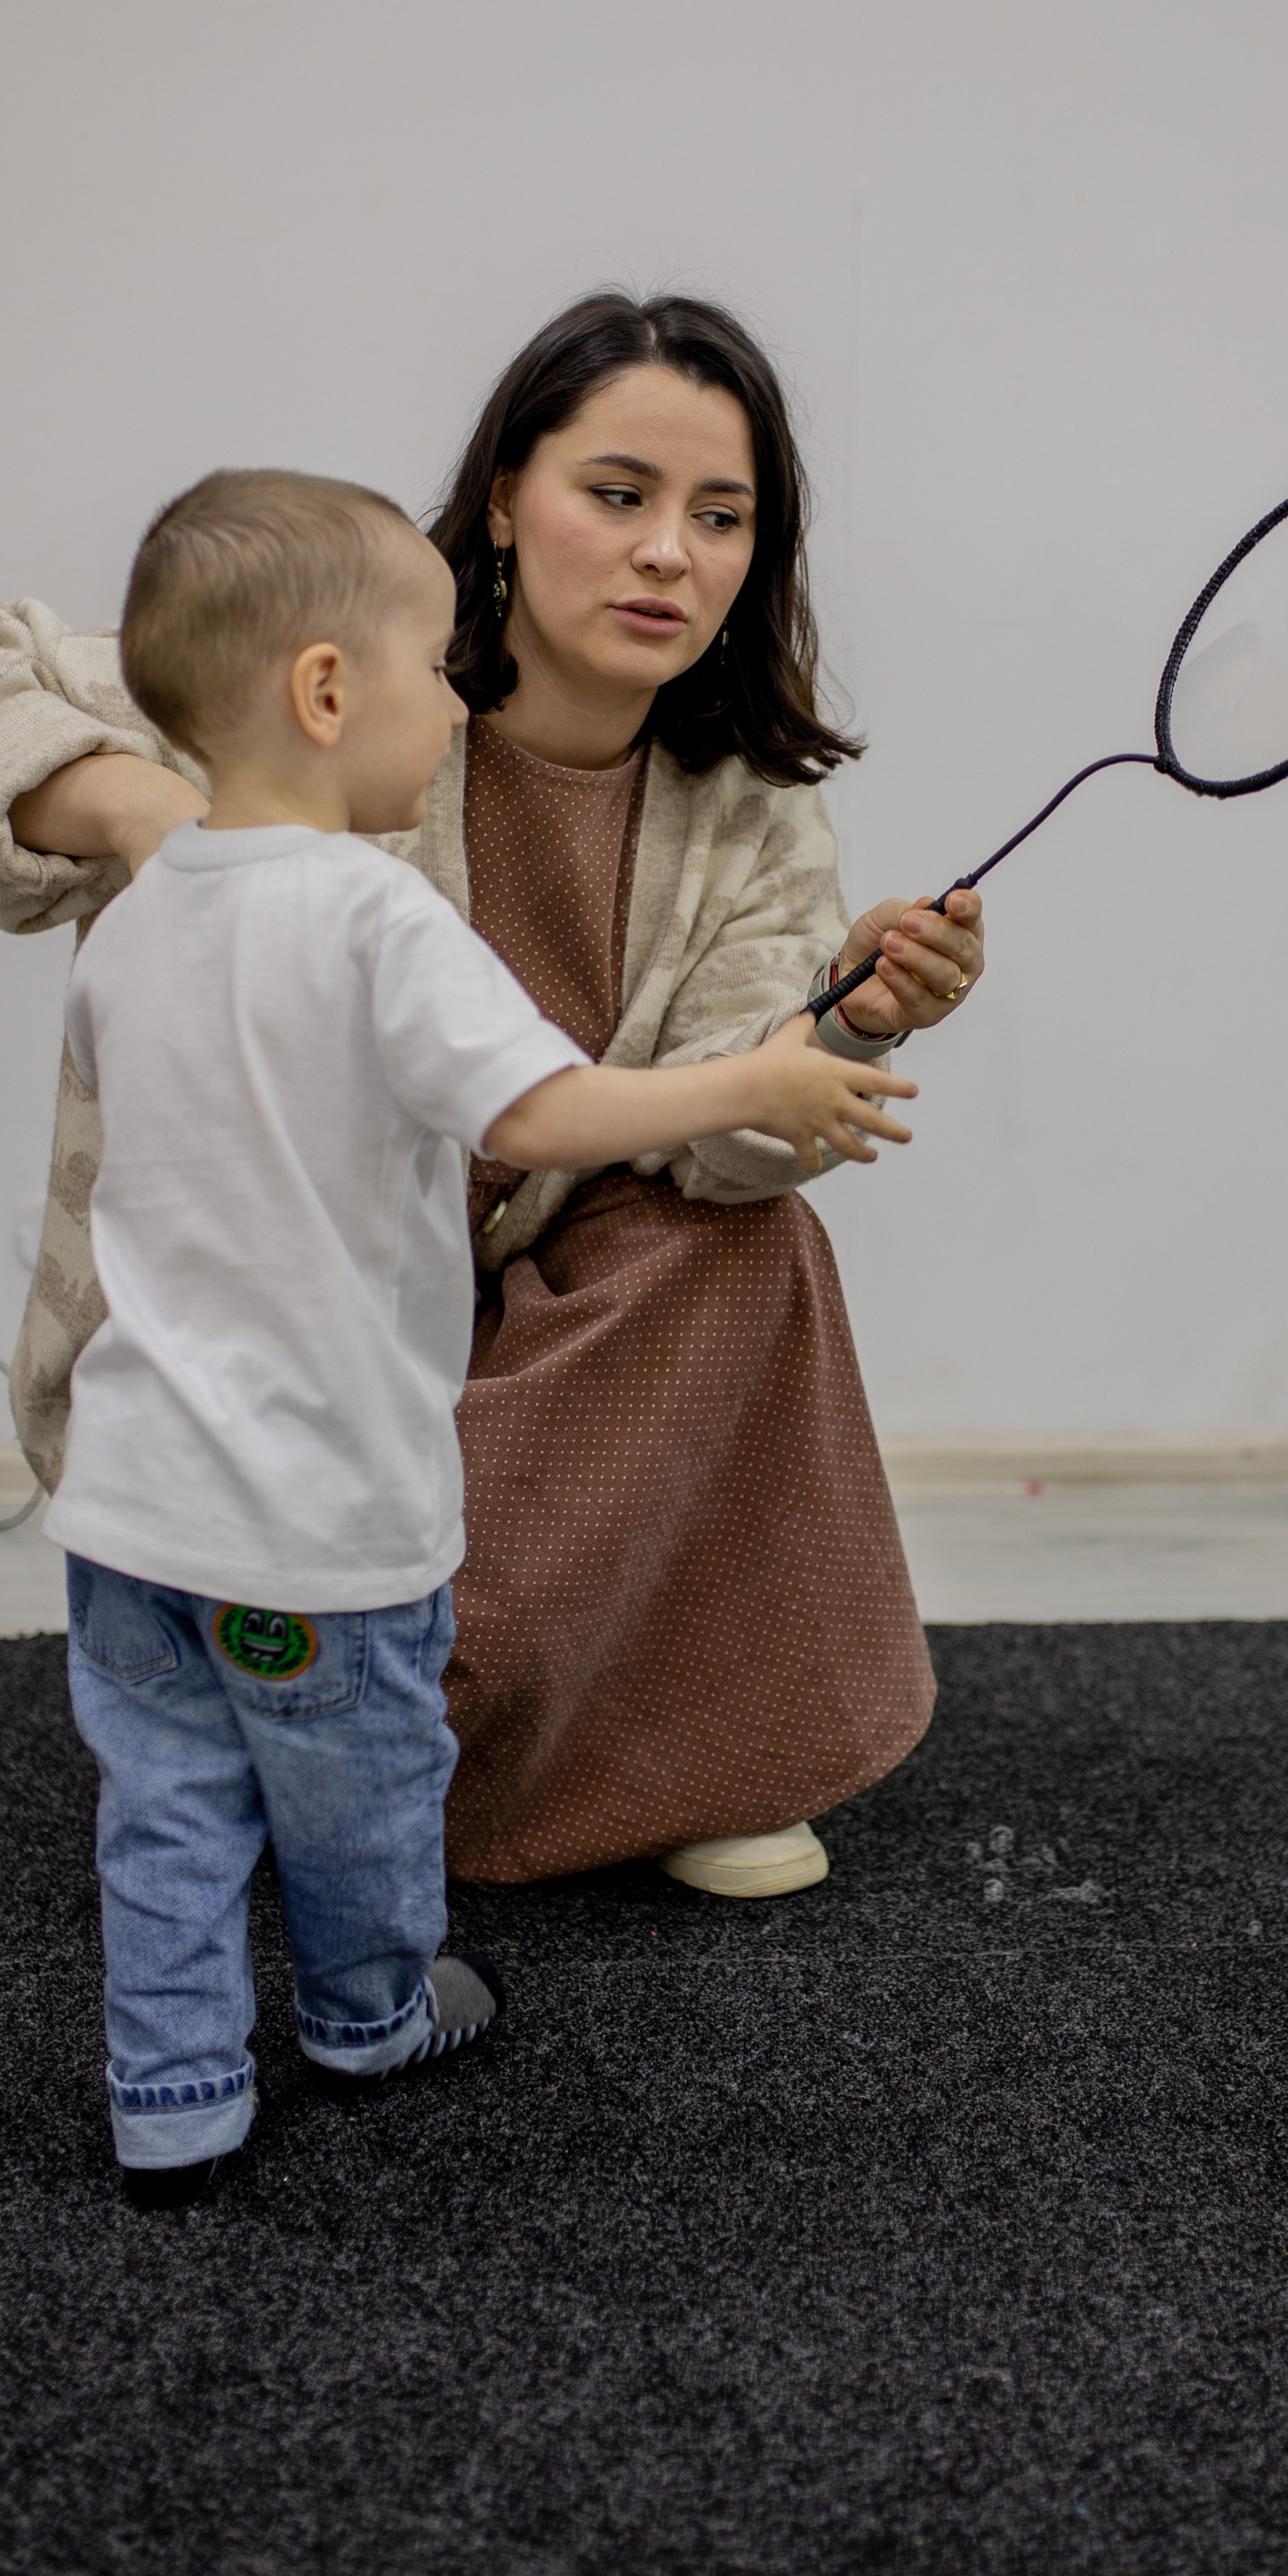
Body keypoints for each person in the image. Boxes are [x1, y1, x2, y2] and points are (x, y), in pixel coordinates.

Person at [0, 289, 985, 1901]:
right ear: (507, 512)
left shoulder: (752, 822)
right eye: (620, 495)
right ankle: (384, 1753)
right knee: (354, 1665)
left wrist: (850, 1025)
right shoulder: (312, 684)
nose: (670, 551)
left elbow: (723, 1150)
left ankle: (665, 1756)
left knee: (755, 1246)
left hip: (519, 1344)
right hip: (256, 1342)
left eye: (721, 516)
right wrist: (147, 815)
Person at [59, 467, 914, 2202]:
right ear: (324, 693)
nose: (456, 703)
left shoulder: (140, 920)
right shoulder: (382, 911)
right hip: (320, 1515)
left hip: (132, 1504)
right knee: (365, 1792)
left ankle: (172, 2096)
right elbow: (537, 1115)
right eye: (434, 671)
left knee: (165, 1808)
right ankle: (373, 2017)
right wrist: (760, 1074)